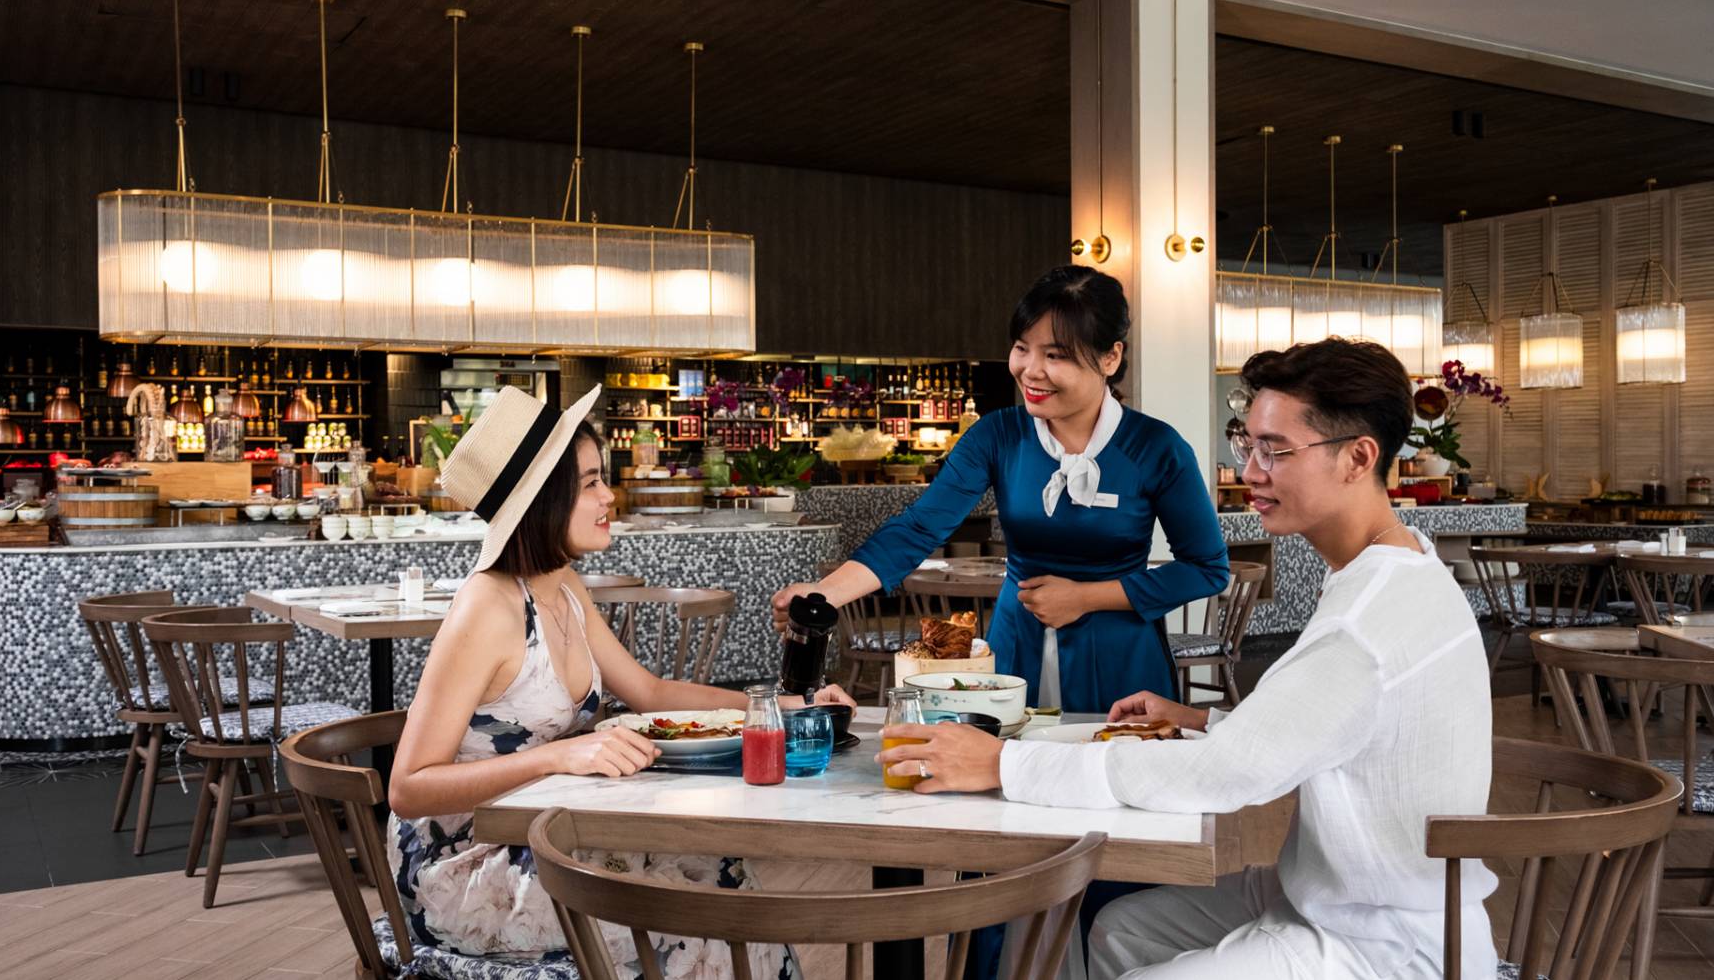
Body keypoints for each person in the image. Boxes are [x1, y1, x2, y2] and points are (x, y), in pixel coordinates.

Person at [876, 337, 1497, 980]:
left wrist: (1005, 763)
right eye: (1246, 444)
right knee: (1117, 929)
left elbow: (1226, 775)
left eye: (1275, 450)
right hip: (1332, 895)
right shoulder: (1400, 563)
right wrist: (1203, 720)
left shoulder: (1365, 621)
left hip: (1384, 939)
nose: (1250, 472)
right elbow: (1337, 728)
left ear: (1357, 458)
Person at [388, 384, 852, 980]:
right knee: (693, 918)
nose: (609, 496)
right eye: (589, 483)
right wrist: (559, 756)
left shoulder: (561, 584)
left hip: (544, 831)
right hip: (469, 863)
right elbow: (409, 788)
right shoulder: (487, 606)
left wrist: (783, 704)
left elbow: (650, 693)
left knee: (725, 879)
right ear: (543, 500)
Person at [774, 265, 1230, 716]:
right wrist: (823, 595)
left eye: (1056, 355)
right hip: (1015, 644)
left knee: (1112, 756)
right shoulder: (997, 436)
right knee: (1004, 755)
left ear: (1110, 358)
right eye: (1021, 348)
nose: (1031, 371)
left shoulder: (1155, 447)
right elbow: (919, 528)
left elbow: (1205, 569)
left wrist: (1086, 597)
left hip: (1122, 656)